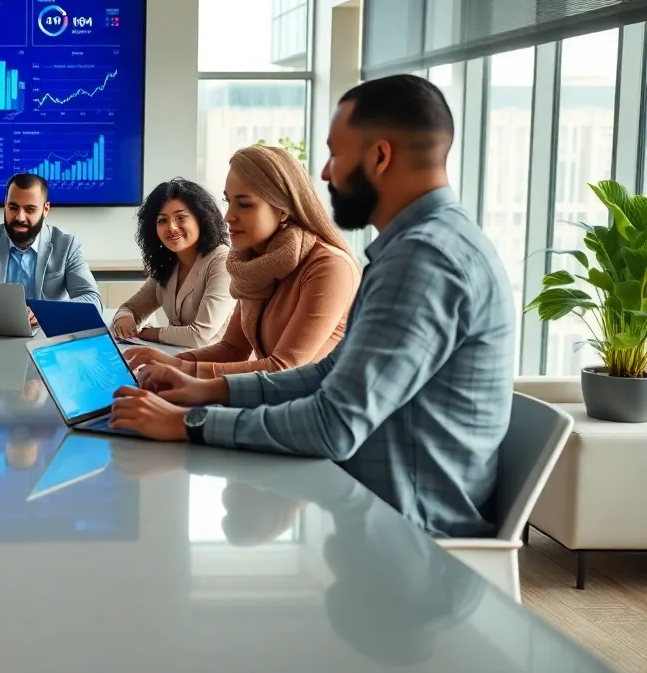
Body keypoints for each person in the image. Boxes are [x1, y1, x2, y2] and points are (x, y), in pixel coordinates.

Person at [110, 74, 515, 539]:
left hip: (407, 536)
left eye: (335, 155)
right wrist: (204, 392)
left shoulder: (423, 260)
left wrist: (190, 422)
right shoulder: (418, 248)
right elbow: (326, 376)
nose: (324, 174)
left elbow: (333, 424)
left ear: (380, 157)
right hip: (375, 506)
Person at [123, 146, 358, 376]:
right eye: (228, 201)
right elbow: (233, 349)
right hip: (273, 400)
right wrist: (170, 362)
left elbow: (284, 369)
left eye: (244, 204)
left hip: (314, 409)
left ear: (283, 209)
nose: (227, 216)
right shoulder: (253, 263)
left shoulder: (329, 267)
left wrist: (180, 368)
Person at [0, 173, 102, 322]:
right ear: (5, 205)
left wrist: (45, 312)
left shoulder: (67, 245)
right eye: (13, 207)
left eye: (30, 209)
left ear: (45, 210)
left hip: (47, 336)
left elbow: (93, 300)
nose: (20, 217)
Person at [111, 178, 235, 348]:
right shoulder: (168, 264)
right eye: (162, 220)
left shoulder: (222, 261)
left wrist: (145, 334)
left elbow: (200, 336)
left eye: (180, 217)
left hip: (214, 368)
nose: (172, 227)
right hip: (174, 361)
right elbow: (131, 308)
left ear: (201, 219)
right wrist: (124, 320)